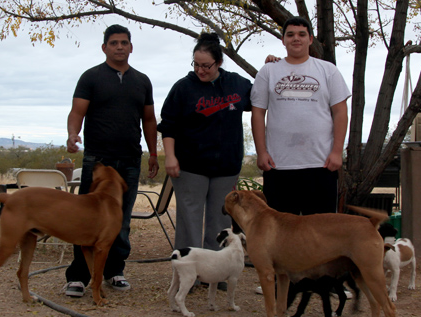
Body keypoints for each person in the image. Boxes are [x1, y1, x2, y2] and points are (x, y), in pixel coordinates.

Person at [250, 17, 351, 295]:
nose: (296, 39)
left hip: (320, 164)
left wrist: (336, 152)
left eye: (301, 34)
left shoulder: (327, 71)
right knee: (281, 232)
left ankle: (327, 284)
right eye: (290, 34)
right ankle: (282, 284)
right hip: (279, 165)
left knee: (324, 232)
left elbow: (340, 112)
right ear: (283, 40)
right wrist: (261, 152)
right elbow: (258, 112)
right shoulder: (268, 72)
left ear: (310, 39)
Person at [63, 24, 159, 297]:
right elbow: (76, 112)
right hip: (98, 162)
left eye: (124, 42)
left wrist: (153, 153)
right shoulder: (91, 77)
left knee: (121, 219)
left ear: (131, 47)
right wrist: (72, 134)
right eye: (114, 42)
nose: (119, 47)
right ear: (104, 47)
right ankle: (78, 277)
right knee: (86, 217)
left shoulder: (142, 80)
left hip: (130, 159)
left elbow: (149, 120)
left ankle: (115, 271)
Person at [157, 33, 251, 260]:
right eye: (196, 65)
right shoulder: (183, 88)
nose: (200, 70)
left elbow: (263, 96)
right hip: (190, 165)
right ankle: (188, 268)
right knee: (189, 218)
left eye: (206, 66)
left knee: (220, 219)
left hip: (226, 166)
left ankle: (216, 270)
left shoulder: (237, 84)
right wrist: (170, 156)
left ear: (218, 62)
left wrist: (272, 66)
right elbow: (168, 126)